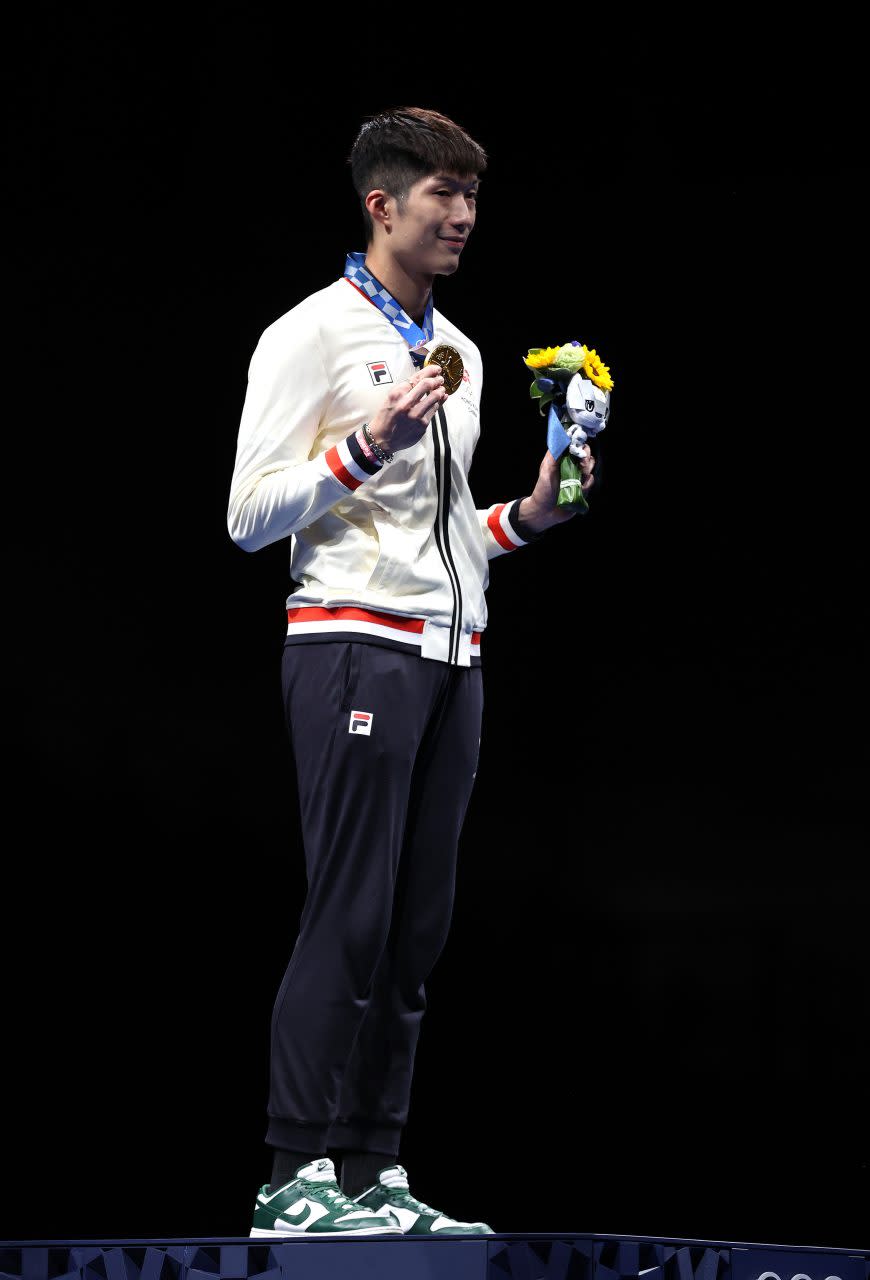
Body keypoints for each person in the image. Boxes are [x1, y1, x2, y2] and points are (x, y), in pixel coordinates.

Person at [227, 106, 595, 1239]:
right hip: (349, 646)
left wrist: (531, 514)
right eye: (442, 194)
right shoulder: (310, 335)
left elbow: (446, 534)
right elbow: (248, 517)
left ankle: (373, 1168)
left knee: (416, 929)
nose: (464, 215)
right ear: (381, 205)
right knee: (350, 911)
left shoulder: (468, 353)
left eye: (473, 195)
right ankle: (295, 1174)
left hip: (451, 655)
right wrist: (363, 444)